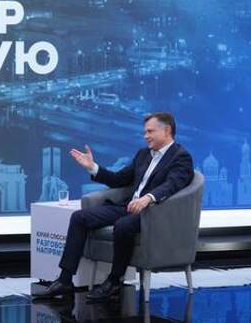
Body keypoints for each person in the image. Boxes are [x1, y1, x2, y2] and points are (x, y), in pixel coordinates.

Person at [34, 112, 194, 301]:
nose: (145, 136)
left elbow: (172, 185)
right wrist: (92, 167)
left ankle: (114, 281)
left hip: (154, 212)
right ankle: (65, 280)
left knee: (123, 225)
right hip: (128, 206)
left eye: (150, 131)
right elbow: (119, 179)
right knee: (79, 217)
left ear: (167, 130)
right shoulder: (143, 154)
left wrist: (148, 198)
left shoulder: (181, 157)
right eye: (145, 132)